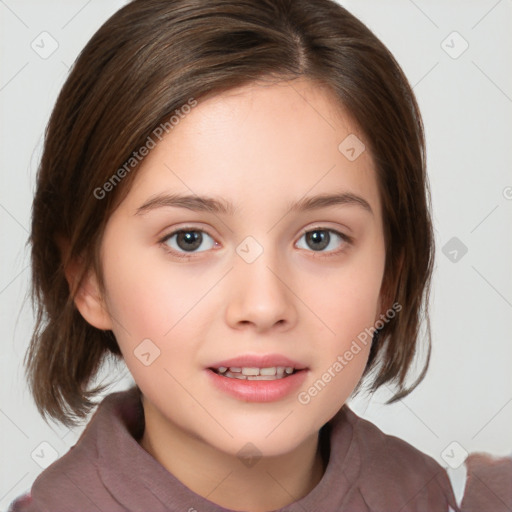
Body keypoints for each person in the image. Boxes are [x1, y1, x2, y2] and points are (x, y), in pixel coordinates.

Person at [10, 0, 493, 510]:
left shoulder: (442, 497)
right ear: (87, 278)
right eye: (189, 239)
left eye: (319, 238)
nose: (263, 306)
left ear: (390, 277)